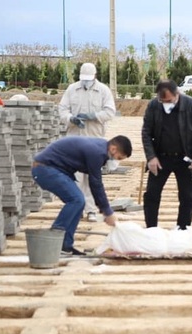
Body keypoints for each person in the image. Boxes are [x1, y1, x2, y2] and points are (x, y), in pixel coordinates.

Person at [32, 135, 132, 255]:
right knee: (76, 200)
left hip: (55, 170)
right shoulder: (97, 152)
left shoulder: (100, 147)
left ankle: (65, 245)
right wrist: (107, 212)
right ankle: (55, 237)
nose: (116, 161)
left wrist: (104, 209)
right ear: (113, 149)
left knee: (79, 202)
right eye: (118, 158)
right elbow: (95, 183)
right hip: (45, 169)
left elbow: (94, 181)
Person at [141, 79, 192, 230]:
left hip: (186, 158)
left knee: (187, 197)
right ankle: (151, 229)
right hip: (160, 157)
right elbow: (146, 133)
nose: (166, 104)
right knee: (152, 194)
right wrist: (151, 157)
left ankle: (183, 229)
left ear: (177, 94)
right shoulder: (153, 106)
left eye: (169, 101)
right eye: (162, 101)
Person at [58, 62, 116, 222]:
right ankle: (77, 209)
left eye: (88, 79)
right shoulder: (72, 89)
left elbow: (110, 112)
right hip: (74, 139)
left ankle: (91, 210)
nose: (86, 82)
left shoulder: (103, 90)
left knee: (92, 177)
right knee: (75, 177)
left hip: (94, 139)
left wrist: (93, 116)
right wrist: (71, 119)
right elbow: (62, 110)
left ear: (95, 76)